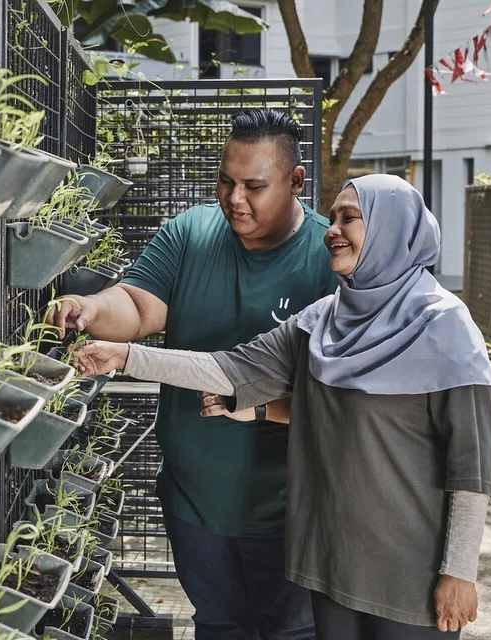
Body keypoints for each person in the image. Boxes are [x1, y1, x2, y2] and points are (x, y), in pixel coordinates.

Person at [72, 175, 491, 640]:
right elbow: (231, 368)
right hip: (331, 566)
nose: (332, 229)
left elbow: (471, 470)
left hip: (411, 578)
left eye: (349, 217)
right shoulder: (322, 320)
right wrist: (127, 356)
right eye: (332, 217)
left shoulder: (447, 329)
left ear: (393, 230)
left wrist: (459, 571)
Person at [48, 109, 337, 639]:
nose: (235, 199)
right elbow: (137, 307)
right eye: (226, 181)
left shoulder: (327, 258)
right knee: (218, 627)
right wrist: (90, 308)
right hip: (193, 499)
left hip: (289, 509)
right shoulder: (190, 233)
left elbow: (341, 399)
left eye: (254, 186)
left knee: (291, 634)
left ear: (296, 181)